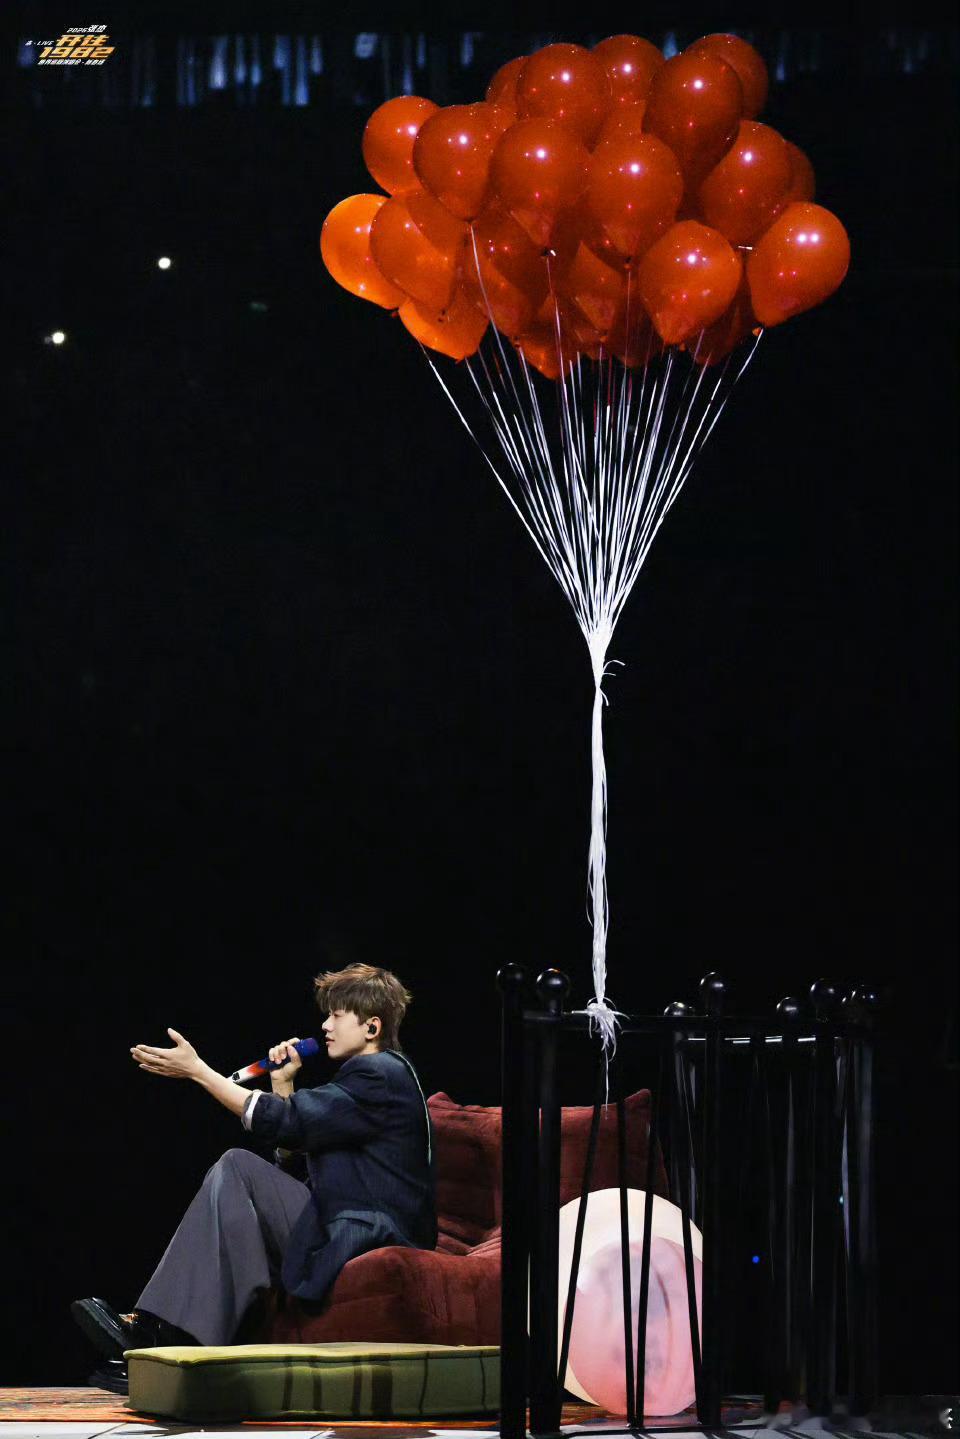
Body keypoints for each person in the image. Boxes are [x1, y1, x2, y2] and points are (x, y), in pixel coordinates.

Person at [71, 963, 435, 1388]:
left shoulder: (379, 1074)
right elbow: (298, 1156)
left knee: (238, 1167)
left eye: (337, 1015)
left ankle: (166, 1336)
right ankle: (178, 1346)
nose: (325, 1025)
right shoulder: (373, 1079)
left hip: (369, 1230)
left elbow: (285, 1121)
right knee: (238, 1179)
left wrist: (199, 1072)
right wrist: (283, 1083)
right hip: (341, 1215)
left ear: (372, 1027)